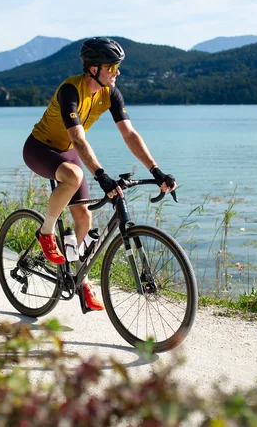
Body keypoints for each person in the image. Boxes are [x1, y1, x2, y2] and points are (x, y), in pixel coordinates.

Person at [23, 37, 177, 311]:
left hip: (68, 151)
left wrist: (156, 170)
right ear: (93, 69)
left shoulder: (110, 93)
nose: (117, 73)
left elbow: (129, 133)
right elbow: (79, 139)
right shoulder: (71, 90)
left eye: (117, 67)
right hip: (39, 148)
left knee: (84, 217)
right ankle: (45, 233)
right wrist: (101, 175)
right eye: (112, 68)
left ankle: (78, 279)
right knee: (73, 175)